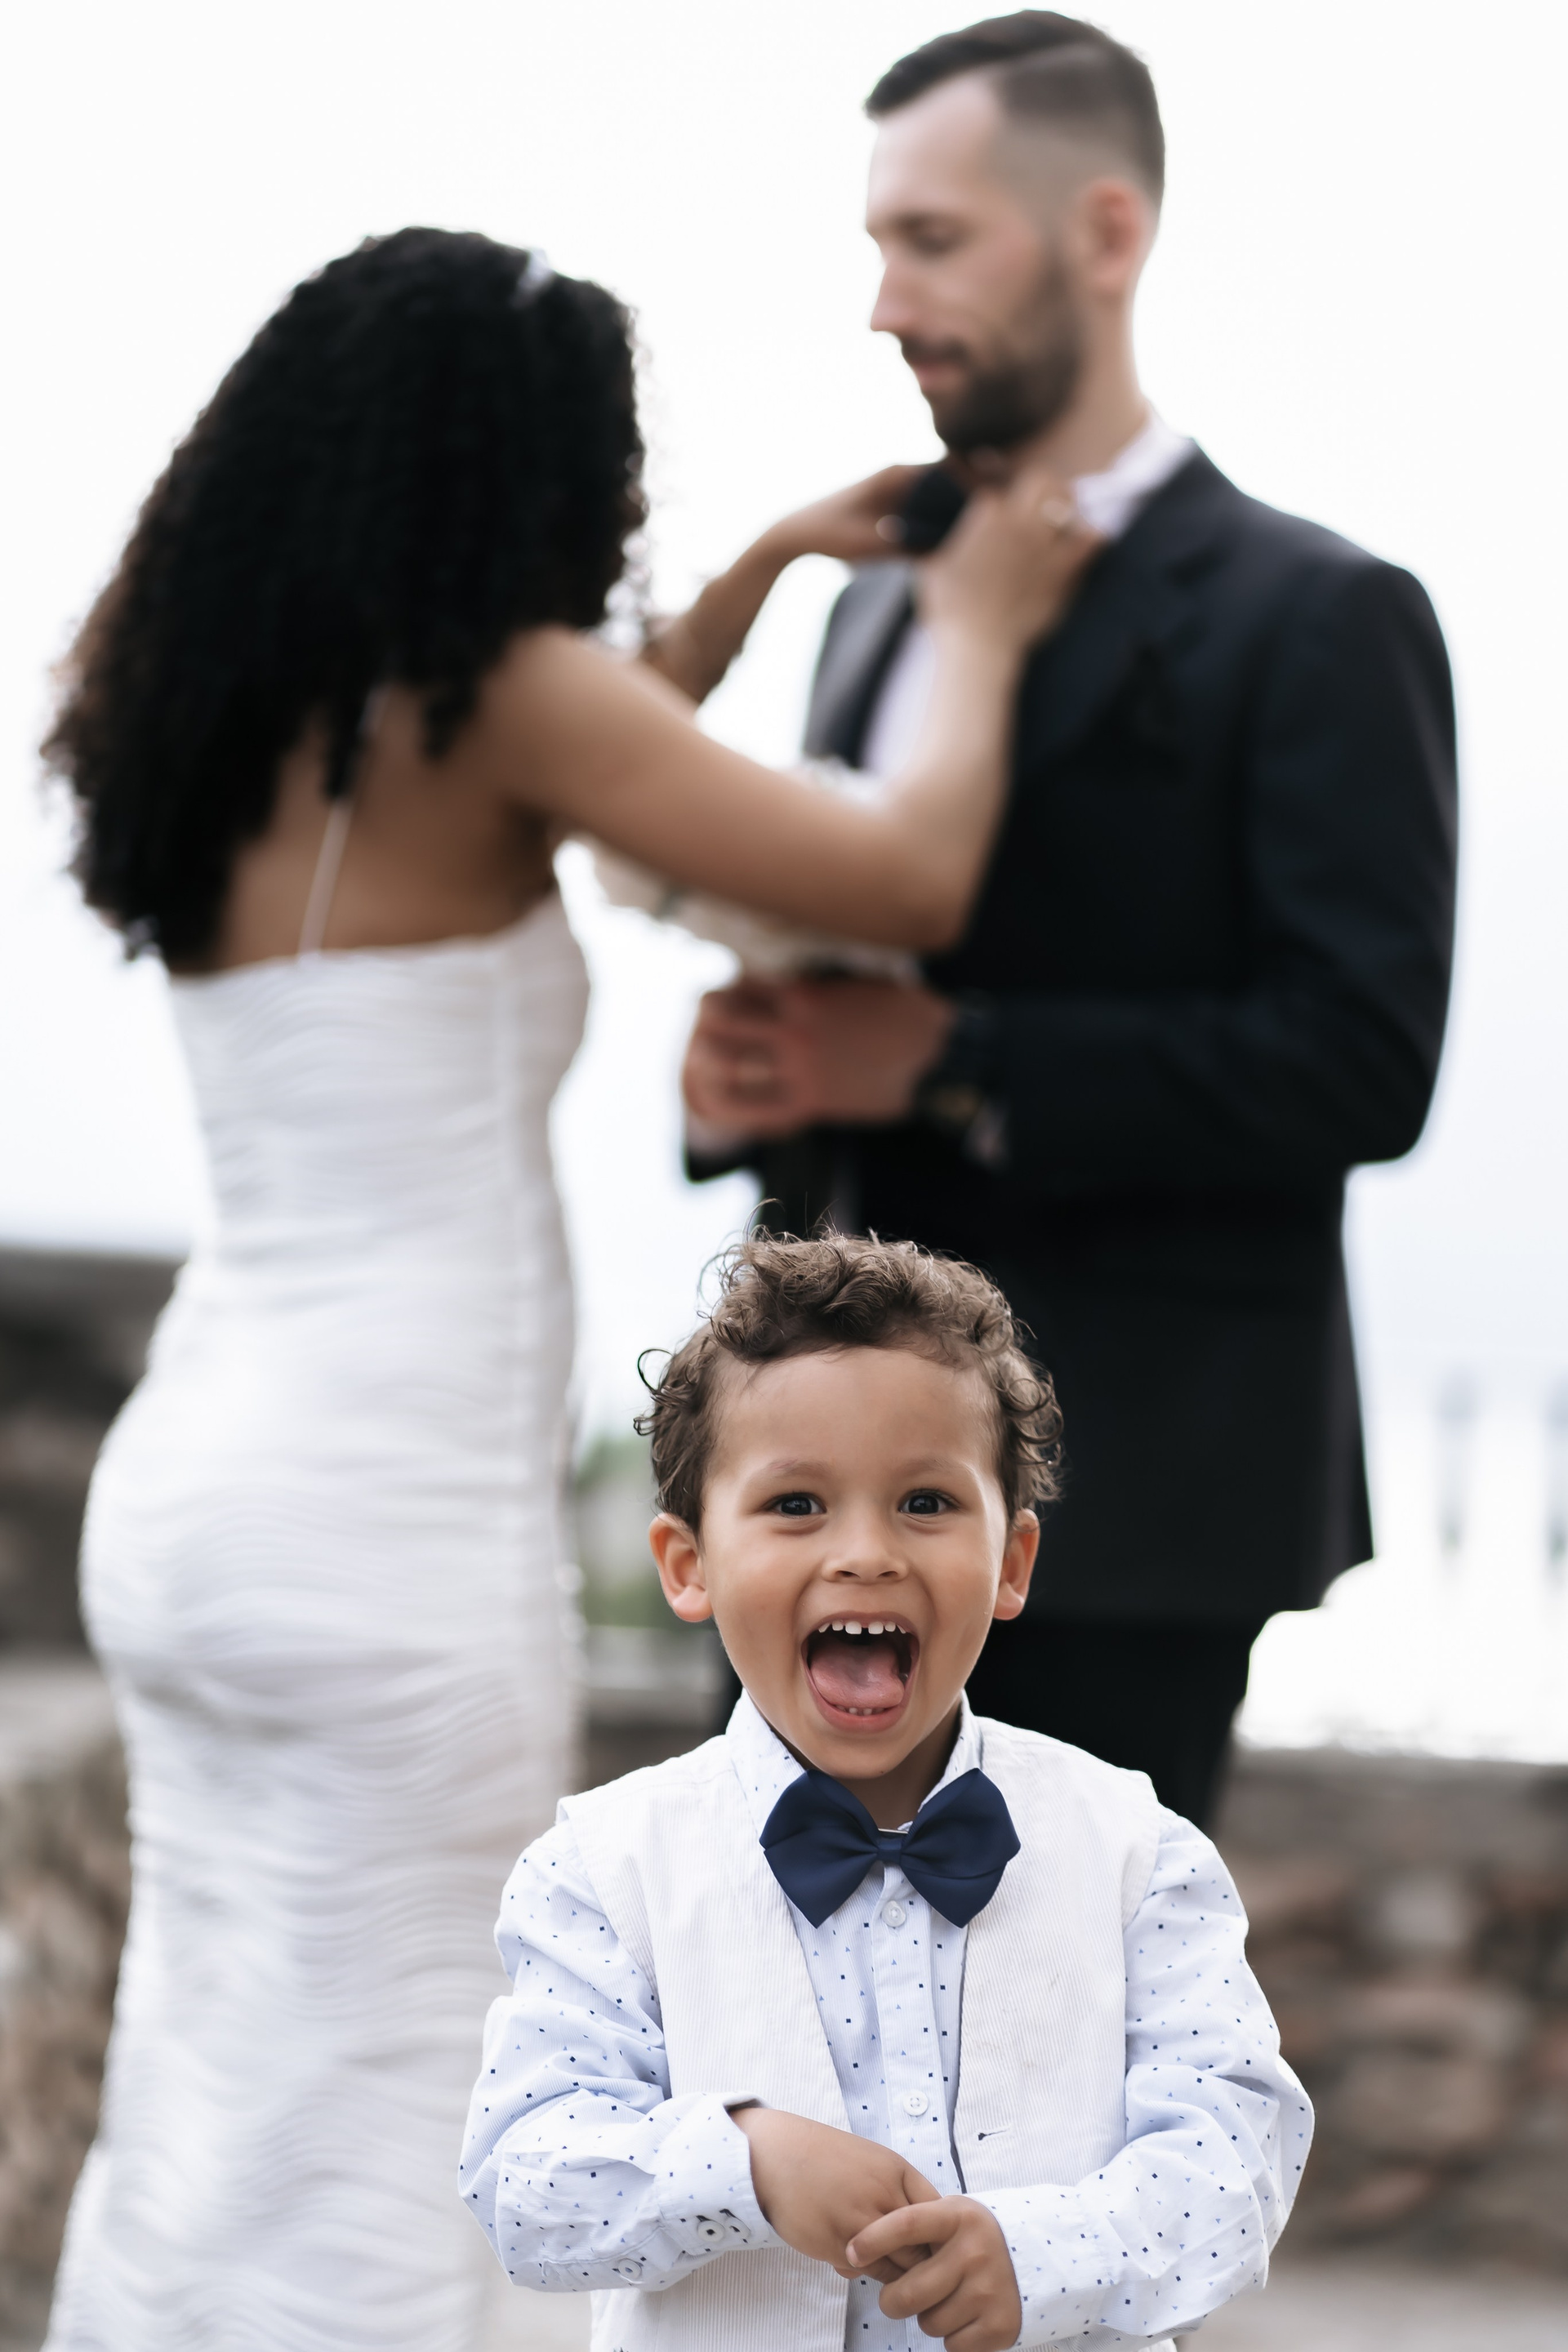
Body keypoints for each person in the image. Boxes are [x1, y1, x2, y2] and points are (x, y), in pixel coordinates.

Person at [41, 228, 1094, 2352]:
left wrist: (773, 562)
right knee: (413, 2086)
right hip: (379, 1532)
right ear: (508, 469)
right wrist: (977, 629)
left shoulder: (241, 706)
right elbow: (901, 868)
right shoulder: (505, 701)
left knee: (222, 2084)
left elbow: (607, 747)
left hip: (199, 1504)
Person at [683, 12, 1459, 1829]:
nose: (885, 302)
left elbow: (1362, 1061)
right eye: (879, 244)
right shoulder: (876, 606)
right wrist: (747, 1085)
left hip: (1135, 1503)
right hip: (818, 1501)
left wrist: (951, 1060)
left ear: (1107, 232)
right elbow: (848, 976)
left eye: (933, 240)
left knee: (1071, 2003)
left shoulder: (1320, 614)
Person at [459, 1233, 1312, 2352]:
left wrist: (1048, 2255)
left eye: (924, 1501)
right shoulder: (600, 1872)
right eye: (796, 1504)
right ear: (687, 1565)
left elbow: (1237, 2149)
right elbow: (524, 2183)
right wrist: (742, 2162)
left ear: (1013, 1563)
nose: (866, 1553)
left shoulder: (1139, 1854)